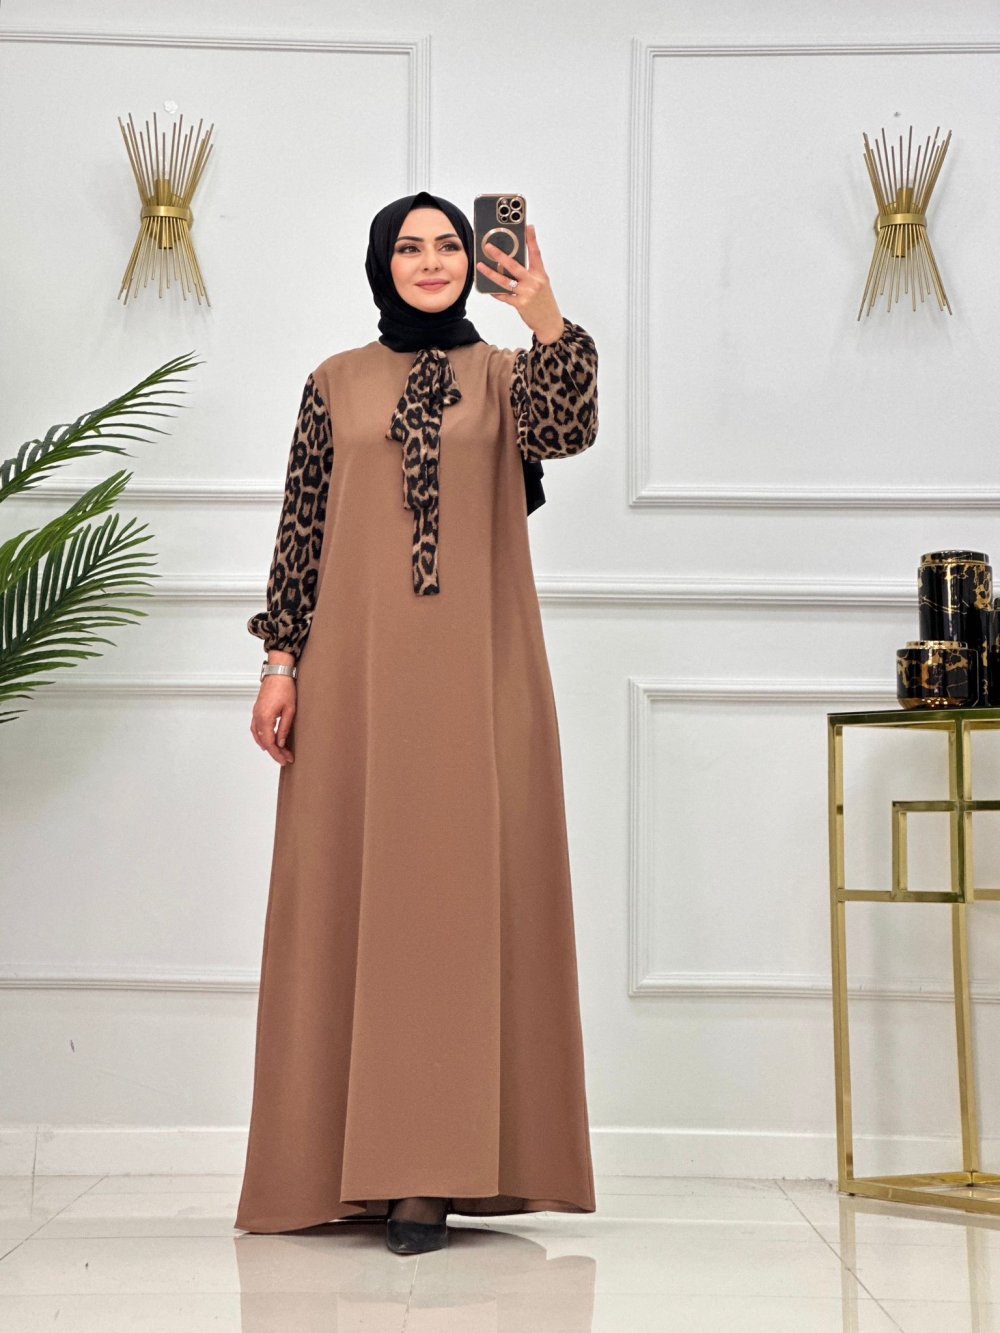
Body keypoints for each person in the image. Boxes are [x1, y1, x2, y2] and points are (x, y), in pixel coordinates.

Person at [234, 190, 599, 1255]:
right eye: (410, 246)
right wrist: (279, 661)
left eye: (449, 245)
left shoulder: (508, 375)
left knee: (456, 903)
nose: (432, 261)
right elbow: (301, 528)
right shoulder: (333, 382)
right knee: (347, 895)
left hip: (480, 672)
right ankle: (336, 1165)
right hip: (354, 677)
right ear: (380, 263)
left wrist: (541, 310)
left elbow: (569, 428)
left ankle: (431, 1172)